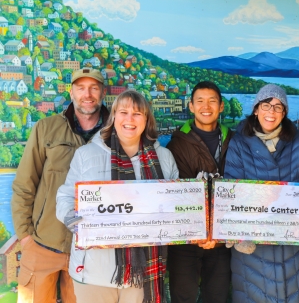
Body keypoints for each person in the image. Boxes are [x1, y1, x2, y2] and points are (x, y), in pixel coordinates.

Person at [223, 84, 299, 302]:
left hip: (292, 248)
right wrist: (237, 233)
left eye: (278, 106)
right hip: (252, 248)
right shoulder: (239, 142)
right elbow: (232, 189)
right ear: (256, 109)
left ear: (285, 112)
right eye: (266, 105)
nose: (272, 111)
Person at [56, 90, 179, 303]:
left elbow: (175, 204)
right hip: (94, 272)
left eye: (137, 114)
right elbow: (66, 195)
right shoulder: (86, 154)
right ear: (114, 117)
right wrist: (69, 216)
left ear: (147, 119)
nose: (129, 119)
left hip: (143, 274)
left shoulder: (164, 158)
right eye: (123, 112)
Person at [11, 68, 109, 303]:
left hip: (91, 253)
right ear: (71, 92)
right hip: (44, 245)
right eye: (81, 87)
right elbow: (25, 184)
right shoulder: (46, 128)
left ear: (103, 92)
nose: (88, 94)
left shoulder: (115, 133)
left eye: (94, 88)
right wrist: (25, 237)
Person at [166, 81, 233, 303]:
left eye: (212, 101)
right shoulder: (177, 144)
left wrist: (216, 233)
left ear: (221, 106)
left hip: (222, 238)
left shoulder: (234, 140)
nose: (206, 106)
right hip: (186, 240)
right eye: (200, 101)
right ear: (191, 106)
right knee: (182, 296)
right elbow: (177, 195)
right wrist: (198, 231)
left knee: (217, 296)